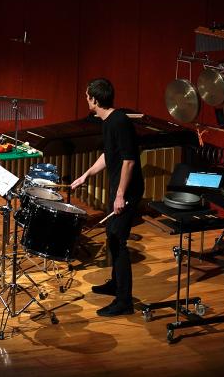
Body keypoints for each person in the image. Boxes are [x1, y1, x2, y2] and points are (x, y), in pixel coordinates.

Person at [70, 78, 144, 317]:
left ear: (94, 99)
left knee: (118, 242)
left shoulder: (119, 122)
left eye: (87, 96)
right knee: (111, 238)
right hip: (118, 188)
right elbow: (109, 155)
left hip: (128, 190)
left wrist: (121, 195)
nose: (86, 99)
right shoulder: (107, 121)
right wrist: (86, 175)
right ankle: (115, 284)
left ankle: (124, 301)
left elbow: (129, 161)